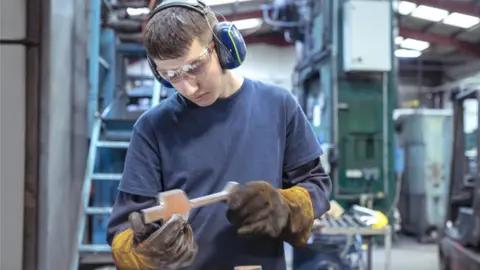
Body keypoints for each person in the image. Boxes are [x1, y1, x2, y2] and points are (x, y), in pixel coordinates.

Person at [106, 0, 332, 269]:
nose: (188, 87)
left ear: (224, 47)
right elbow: (124, 226)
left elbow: (316, 185)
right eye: (171, 75)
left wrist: (283, 207)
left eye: (194, 67)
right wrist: (143, 251)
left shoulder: (278, 105)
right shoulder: (152, 127)